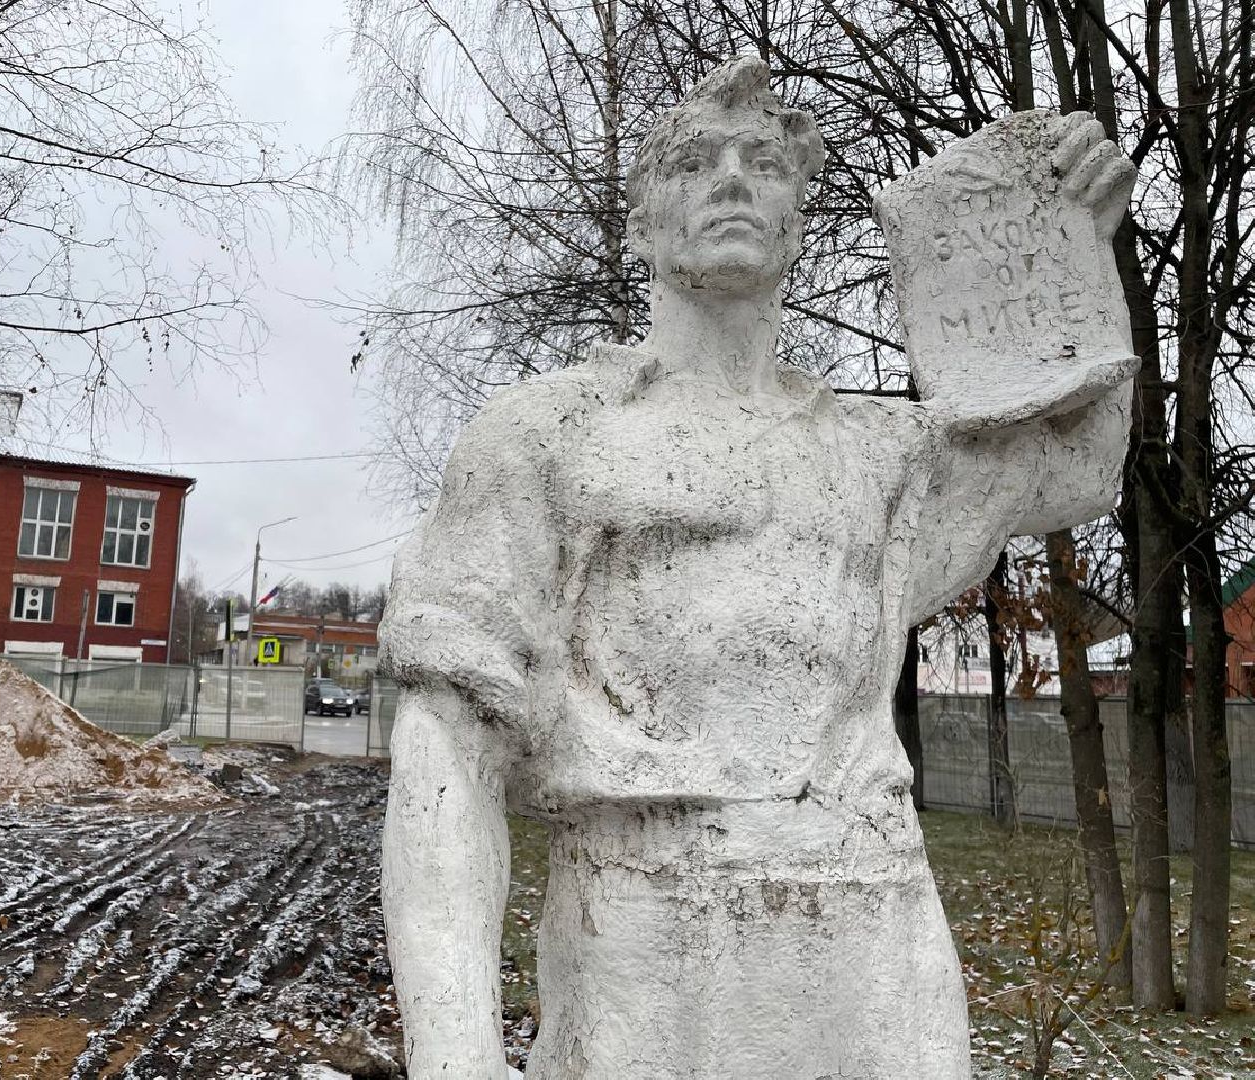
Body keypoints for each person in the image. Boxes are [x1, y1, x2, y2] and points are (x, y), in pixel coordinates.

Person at [379, 56, 1136, 1080]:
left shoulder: (880, 452)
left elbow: (1082, 463)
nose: (733, 179)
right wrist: (455, 1058)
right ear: (643, 219)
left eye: (765, 162)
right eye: (695, 160)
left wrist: (1077, 250)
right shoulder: (549, 437)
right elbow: (444, 759)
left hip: (881, 951)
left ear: (796, 222)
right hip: (650, 948)